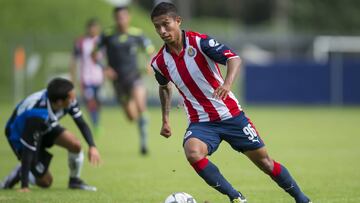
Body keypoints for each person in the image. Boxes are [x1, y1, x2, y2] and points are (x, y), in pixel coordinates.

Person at [150, 2, 312, 203]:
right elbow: (164, 86)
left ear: (178, 21)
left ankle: (302, 199)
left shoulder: (200, 42)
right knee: (192, 152)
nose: (162, 31)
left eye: (166, 24)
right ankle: (236, 197)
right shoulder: (159, 62)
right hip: (201, 122)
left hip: (231, 115)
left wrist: (227, 83)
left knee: (266, 163)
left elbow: (234, 58)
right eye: (157, 27)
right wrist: (165, 119)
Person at [1, 78, 101, 192]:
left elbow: (81, 123)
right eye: (71, 96)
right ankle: (20, 173)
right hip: (19, 136)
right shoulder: (37, 113)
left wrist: (92, 146)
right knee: (46, 182)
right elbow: (28, 149)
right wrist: (25, 186)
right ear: (59, 102)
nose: (74, 98)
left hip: (45, 125)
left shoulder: (64, 99)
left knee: (75, 145)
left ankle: (74, 181)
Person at [93, 6, 155, 155]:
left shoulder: (137, 34)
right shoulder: (107, 35)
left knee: (141, 106)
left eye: (124, 17)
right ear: (115, 18)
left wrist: (149, 63)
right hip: (118, 82)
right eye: (118, 17)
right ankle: (133, 104)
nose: (121, 20)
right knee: (131, 116)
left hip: (134, 77)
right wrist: (105, 68)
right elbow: (94, 54)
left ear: (129, 17)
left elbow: (151, 51)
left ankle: (144, 143)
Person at [70, 18, 104, 134]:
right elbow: (74, 59)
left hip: (99, 77)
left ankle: (97, 120)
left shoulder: (102, 41)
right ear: (88, 29)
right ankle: (96, 125)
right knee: (90, 101)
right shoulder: (81, 42)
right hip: (86, 78)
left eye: (96, 27)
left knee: (98, 101)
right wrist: (72, 76)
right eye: (92, 27)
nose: (94, 30)